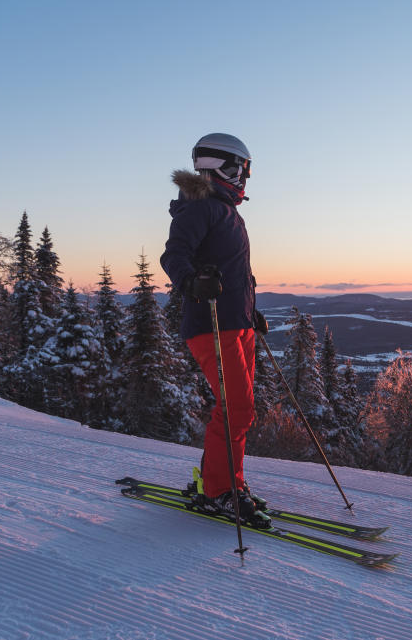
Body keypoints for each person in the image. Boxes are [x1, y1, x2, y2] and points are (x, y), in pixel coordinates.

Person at [160, 133, 271, 527]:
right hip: (212, 325)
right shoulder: (200, 207)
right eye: (244, 168)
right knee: (236, 409)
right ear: (225, 166)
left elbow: (234, 272)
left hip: (235, 323)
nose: (245, 177)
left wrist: (250, 311)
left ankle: (224, 483)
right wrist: (190, 282)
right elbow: (174, 254)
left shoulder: (226, 211)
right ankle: (218, 492)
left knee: (239, 411)